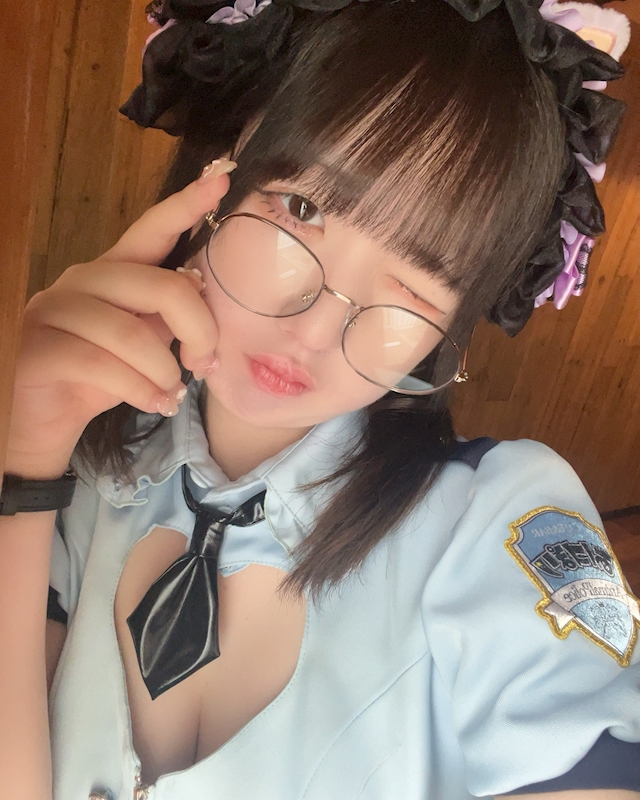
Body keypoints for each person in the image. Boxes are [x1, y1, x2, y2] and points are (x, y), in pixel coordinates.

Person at [1, 0, 638, 798]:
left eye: (414, 288)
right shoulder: (85, 461)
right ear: (216, 176)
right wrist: (25, 464)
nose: (315, 328)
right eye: (302, 211)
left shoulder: (493, 523)